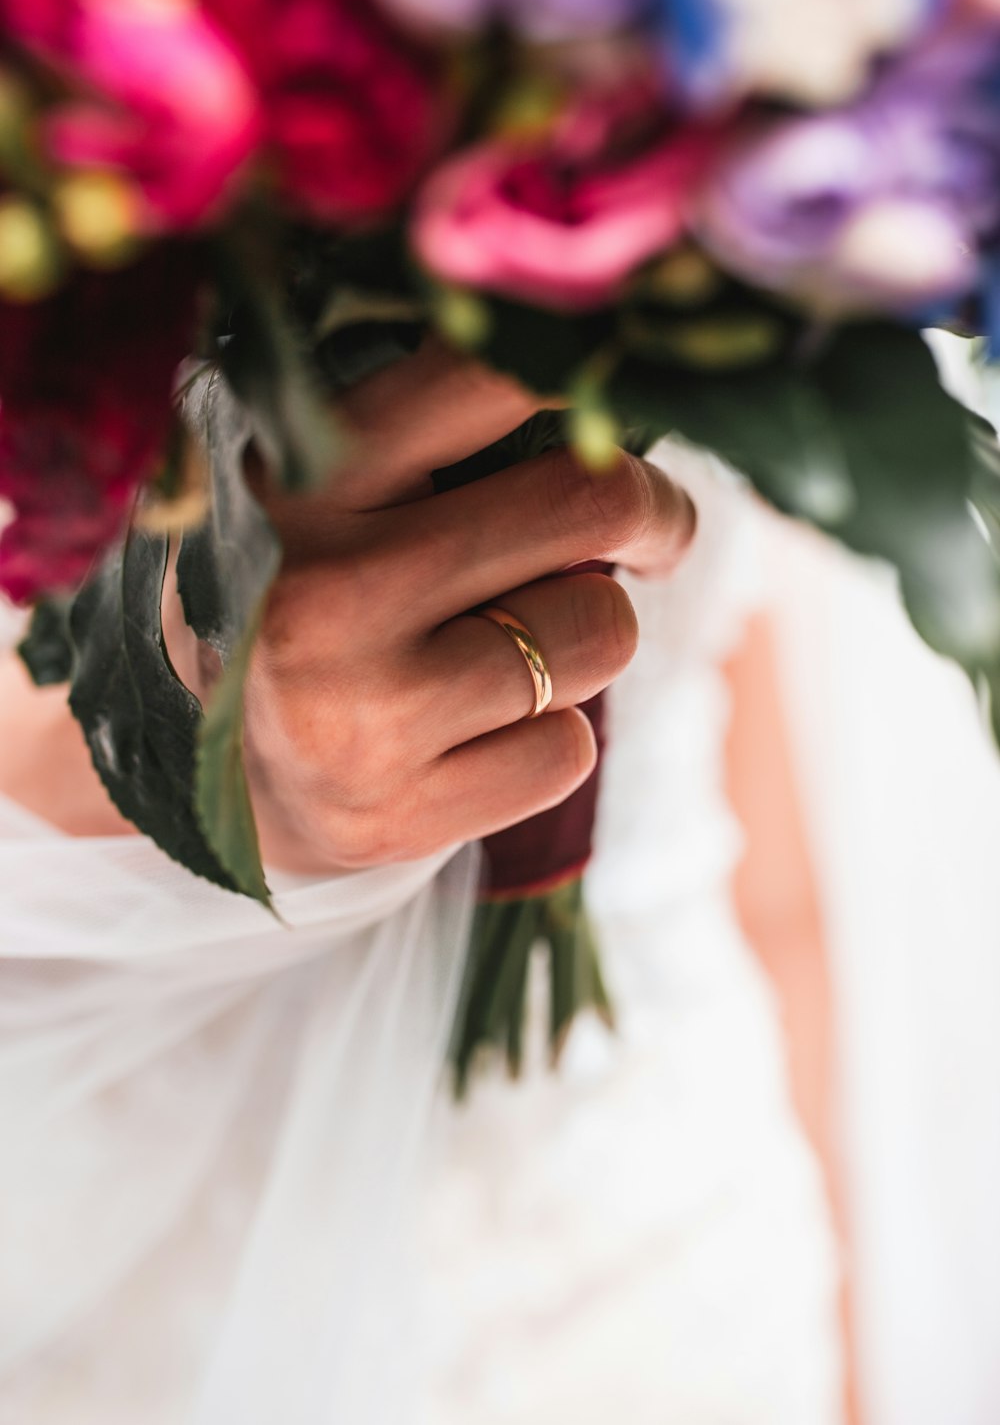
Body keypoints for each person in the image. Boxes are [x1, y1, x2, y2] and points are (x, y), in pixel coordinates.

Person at [0, 340, 846, 1422]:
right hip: (152, 1302)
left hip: (681, 1263)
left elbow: (765, 862)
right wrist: (194, 720)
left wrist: (838, 1320)